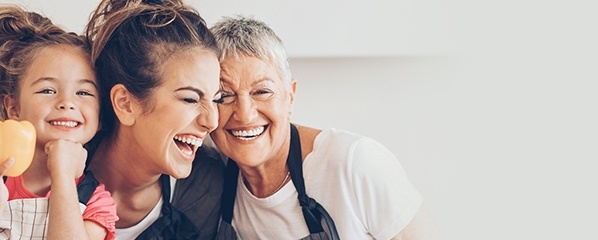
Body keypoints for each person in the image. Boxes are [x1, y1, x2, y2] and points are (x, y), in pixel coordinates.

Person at [210, 16, 438, 239]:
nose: (244, 114)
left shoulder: (354, 164)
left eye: (261, 92)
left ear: (290, 96)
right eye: (223, 96)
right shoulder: (212, 174)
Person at [83, 0, 226, 239]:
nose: (212, 121)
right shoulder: (52, 175)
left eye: (217, 99)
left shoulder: (203, 188)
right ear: (125, 104)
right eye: (190, 99)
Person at [0, 5, 118, 239]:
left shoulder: (95, 201)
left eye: (84, 93)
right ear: (13, 107)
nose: (66, 102)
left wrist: (63, 175)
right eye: (47, 90)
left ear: (101, 116)